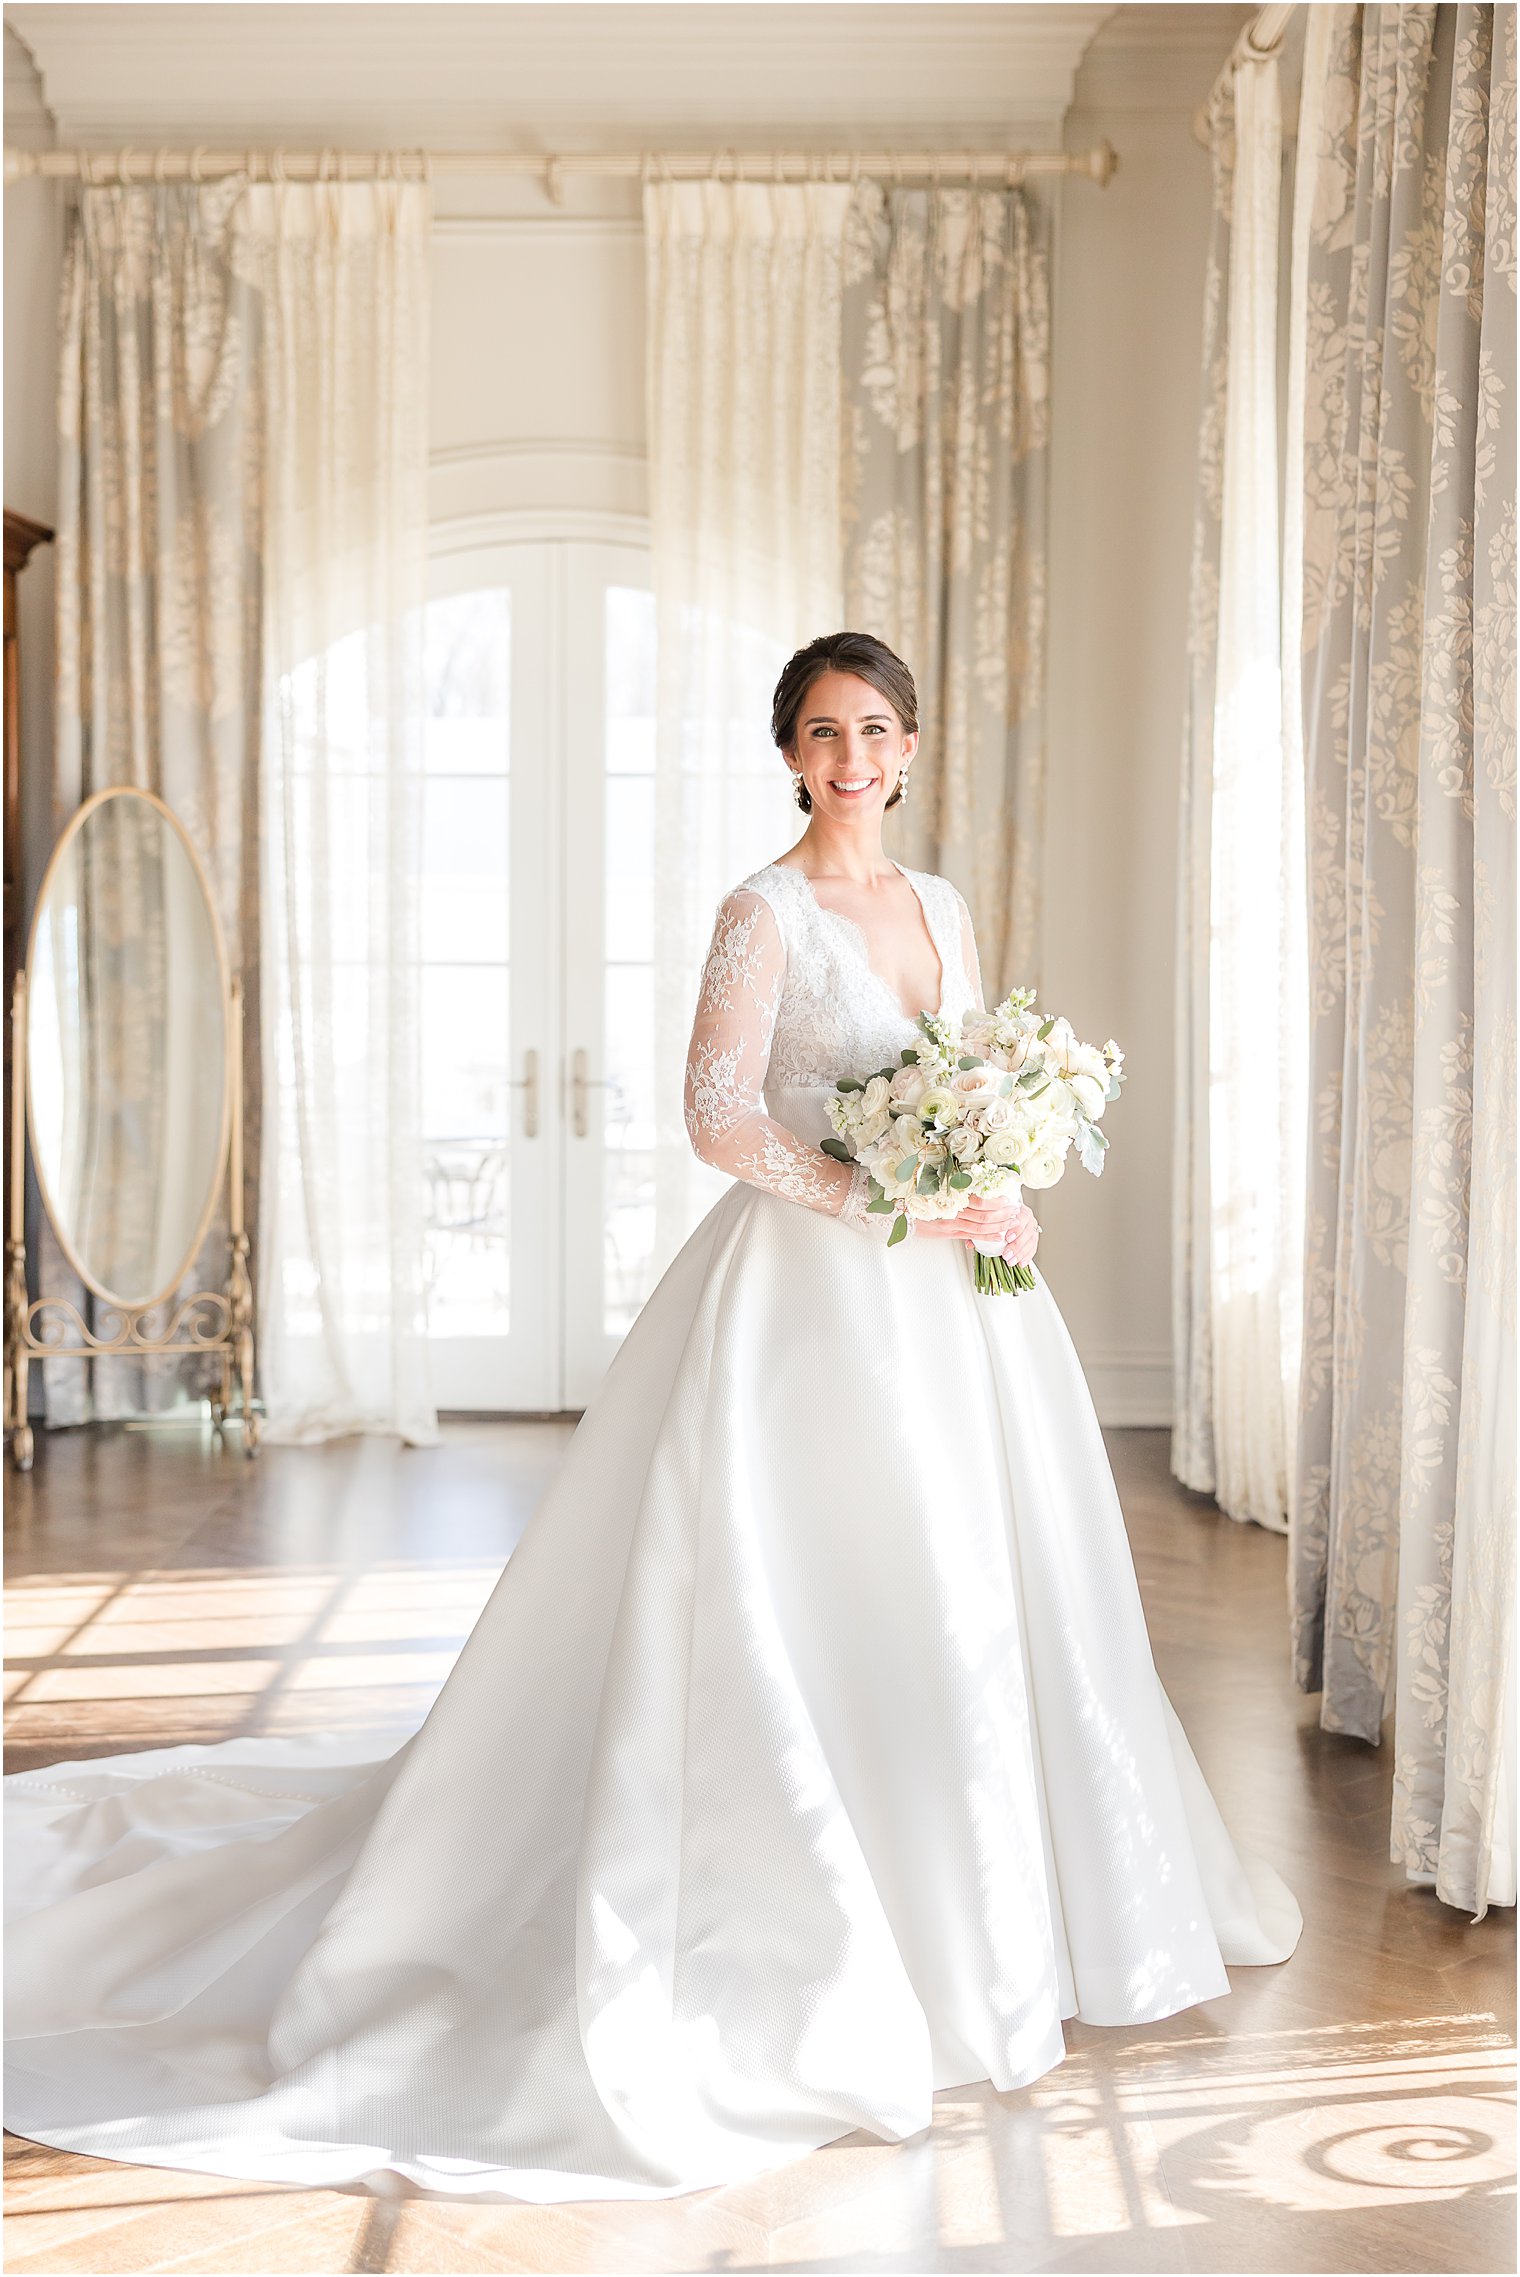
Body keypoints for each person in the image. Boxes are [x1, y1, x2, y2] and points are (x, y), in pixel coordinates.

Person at [4, 631, 1301, 2206]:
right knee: (796, 1588)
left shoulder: (943, 906)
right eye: (822, 731)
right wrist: (885, 1187)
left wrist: (994, 1178)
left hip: (954, 1303)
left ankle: (1010, 1908)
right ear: (791, 751)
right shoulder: (762, 909)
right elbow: (716, 1115)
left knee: (980, 1593)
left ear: (908, 748)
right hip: (810, 1295)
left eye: (874, 729)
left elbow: (962, 1075)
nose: (849, 756)